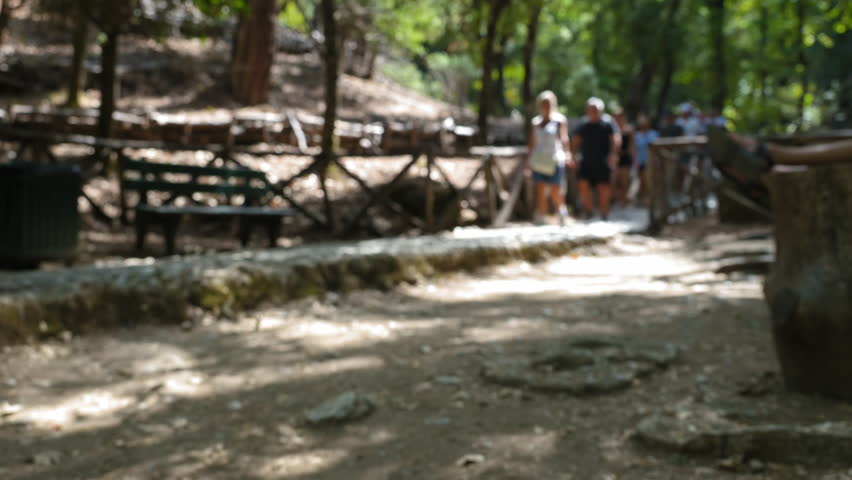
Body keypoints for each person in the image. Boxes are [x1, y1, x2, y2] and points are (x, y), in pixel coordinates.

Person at [526, 90, 572, 225]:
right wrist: (528, 163)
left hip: (555, 159)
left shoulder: (559, 120)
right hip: (539, 160)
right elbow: (532, 144)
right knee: (540, 189)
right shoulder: (535, 122)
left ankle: (562, 214)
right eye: (544, 104)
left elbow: (564, 139)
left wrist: (568, 154)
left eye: (549, 104)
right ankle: (541, 216)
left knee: (555, 189)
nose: (546, 106)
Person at [572, 97, 617, 220]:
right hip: (586, 161)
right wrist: (574, 156)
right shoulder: (582, 125)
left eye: (595, 109)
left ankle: (604, 213)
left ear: (600, 110)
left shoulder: (608, 125)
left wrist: (613, 155)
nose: (592, 111)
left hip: (603, 161)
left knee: (603, 187)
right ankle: (589, 211)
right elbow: (576, 141)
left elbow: (614, 140)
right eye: (590, 109)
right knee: (583, 185)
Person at [633, 114, 658, 204]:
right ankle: (641, 200)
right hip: (640, 161)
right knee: (641, 181)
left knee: (649, 181)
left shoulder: (654, 134)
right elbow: (634, 148)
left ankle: (651, 200)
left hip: (650, 162)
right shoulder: (637, 135)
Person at [612, 109, 634, 207]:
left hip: (625, 158)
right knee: (614, 180)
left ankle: (624, 201)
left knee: (624, 181)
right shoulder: (611, 128)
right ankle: (616, 199)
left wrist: (633, 158)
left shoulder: (628, 130)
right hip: (615, 158)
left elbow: (632, 145)